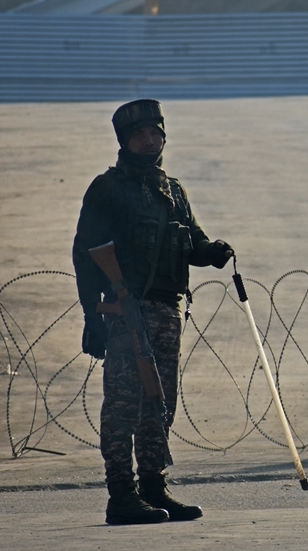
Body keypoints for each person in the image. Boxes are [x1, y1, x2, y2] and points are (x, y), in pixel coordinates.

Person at [73, 99, 233, 524]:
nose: (150, 140)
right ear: (124, 141)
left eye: (156, 133)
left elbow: (191, 242)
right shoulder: (108, 189)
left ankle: (153, 487)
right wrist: (93, 316)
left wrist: (212, 252)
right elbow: (86, 254)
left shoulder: (172, 190)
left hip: (168, 311)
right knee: (124, 405)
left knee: (159, 405)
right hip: (128, 311)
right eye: (140, 134)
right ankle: (121, 495)